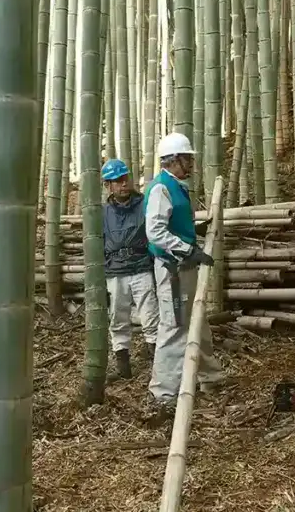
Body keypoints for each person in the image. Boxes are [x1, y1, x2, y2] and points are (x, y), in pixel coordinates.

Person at [144, 132, 225, 409]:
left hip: (184, 265)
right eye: (188, 159)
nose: (191, 164)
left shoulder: (178, 186)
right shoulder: (160, 188)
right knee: (175, 325)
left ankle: (211, 377)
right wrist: (189, 249)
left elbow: (174, 222)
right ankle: (163, 392)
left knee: (197, 320)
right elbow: (155, 232)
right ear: (174, 160)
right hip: (172, 270)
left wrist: (195, 232)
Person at [101, 158, 159, 380]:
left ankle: (157, 364)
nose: (123, 184)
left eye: (125, 179)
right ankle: (123, 366)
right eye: (117, 181)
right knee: (117, 317)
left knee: (150, 314)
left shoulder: (144, 204)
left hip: (141, 267)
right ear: (108, 185)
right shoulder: (103, 212)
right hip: (115, 271)